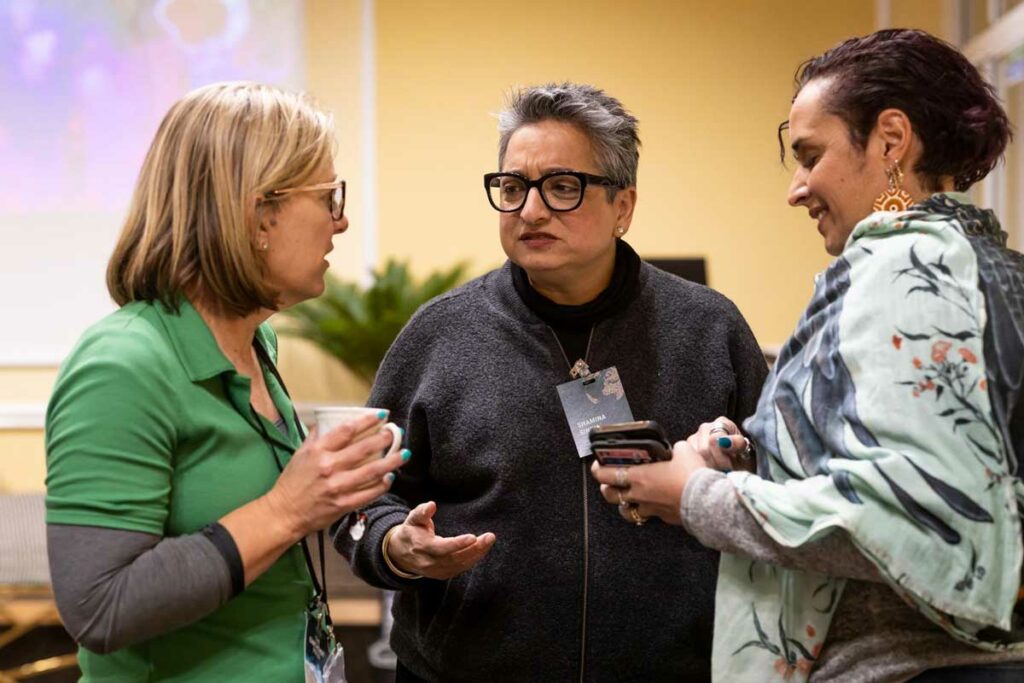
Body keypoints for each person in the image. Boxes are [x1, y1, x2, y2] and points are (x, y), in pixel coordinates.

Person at [593, 29, 1024, 682]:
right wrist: (755, 456)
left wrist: (695, 493)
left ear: (890, 140)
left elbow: (905, 511)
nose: (796, 189)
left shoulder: (906, 269)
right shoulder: (987, 270)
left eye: (811, 155)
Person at [333, 82, 768, 681]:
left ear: (624, 206)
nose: (530, 211)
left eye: (563, 187)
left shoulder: (709, 329)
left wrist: (732, 465)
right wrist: (392, 547)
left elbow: (780, 495)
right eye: (512, 189)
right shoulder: (441, 334)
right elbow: (359, 498)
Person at [45, 82, 407, 682]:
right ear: (261, 214)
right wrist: (287, 509)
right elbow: (99, 608)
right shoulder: (122, 364)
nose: (339, 222)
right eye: (327, 197)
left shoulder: (254, 343)